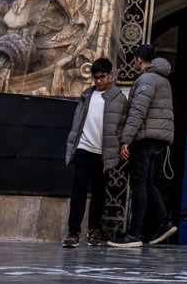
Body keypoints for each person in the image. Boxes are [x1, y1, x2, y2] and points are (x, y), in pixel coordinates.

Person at [107, 44, 176, 248]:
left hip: (145, 138)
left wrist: (126, 139)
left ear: (137, 59)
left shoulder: (146, 80)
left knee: (138, 184)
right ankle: (164, 222)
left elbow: (138, 111)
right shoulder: (163, 80)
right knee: (147, 182)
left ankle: (134, 233)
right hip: (157, 139)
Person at [62, 57, 128, 248]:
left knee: (99, 194)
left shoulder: (119, 98)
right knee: (79, 192)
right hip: (84, 148)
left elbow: (123, 125)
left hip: (103, 153)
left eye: (102, 77)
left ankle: (94, 231)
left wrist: (121, 144)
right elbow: (78, 121)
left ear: (110, 75)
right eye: (96, 78)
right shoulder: (86, 95)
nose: (98, 81)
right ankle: (73, 232)